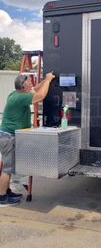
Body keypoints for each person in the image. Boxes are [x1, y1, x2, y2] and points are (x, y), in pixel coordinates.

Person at [0, 72, 55, 207]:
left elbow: (35, 89)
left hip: (8, 135)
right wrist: (48, 80)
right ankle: (1, 197)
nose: (31, 84)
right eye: (29, 82)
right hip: (9, 137)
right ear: (23, 87)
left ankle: (7, 191)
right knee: (8, 169)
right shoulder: (20, 98)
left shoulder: (17, 93)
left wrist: (44, 81)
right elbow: (40, 95)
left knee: (9, 166)